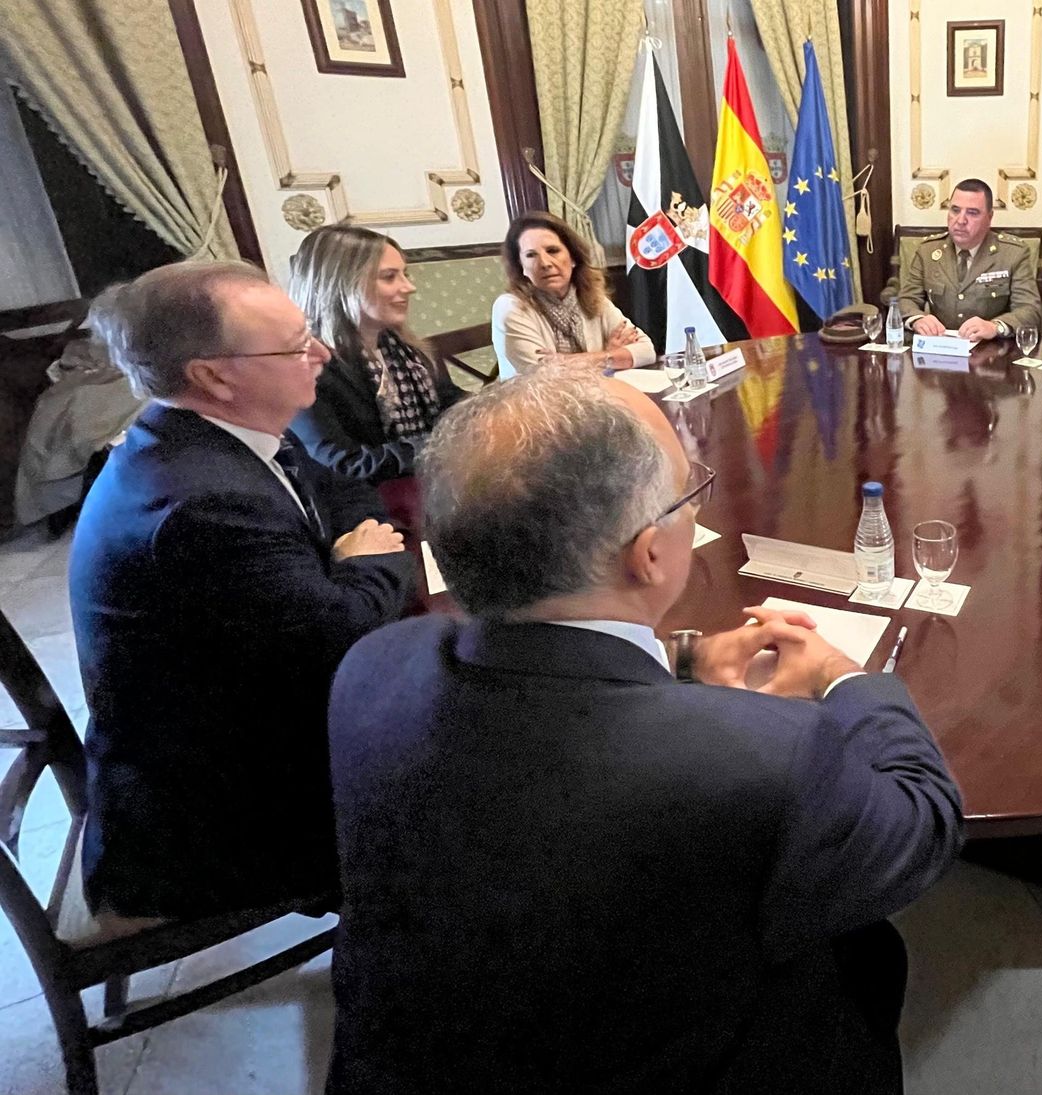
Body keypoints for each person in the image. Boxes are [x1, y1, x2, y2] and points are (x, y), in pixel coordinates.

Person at [324, 370, 964, 1094]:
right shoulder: (762, 758)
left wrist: (686, 654)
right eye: (689, 495)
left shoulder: (373, 665)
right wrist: (845, 677)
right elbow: (925, 822)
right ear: (650, 552)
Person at [69, 261, 413, 921]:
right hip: (211, 818)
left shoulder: (218, 433)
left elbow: (344, 490)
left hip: (229, 727)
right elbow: (346, 631)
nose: (321, 350)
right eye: (294, 344)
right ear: (211, 374)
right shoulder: (201, 500)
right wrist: (365, 560)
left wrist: (348, 555)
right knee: (474, 766)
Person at [287, 225, 466, 482]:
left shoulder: (406, 350)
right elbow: (342, 463)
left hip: (424, 482)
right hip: (371, 508)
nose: (409, 287)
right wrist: (440, 445)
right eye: (389, 277)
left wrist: (494, 409)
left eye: (405, 274)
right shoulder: (309, 366)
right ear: (342, 284)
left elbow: (449, 401)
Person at [492, 211, 656, 379]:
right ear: (521, 267)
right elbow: (545, 376)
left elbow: (646, 350)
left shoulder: (592, 297)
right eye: (531, 255)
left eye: (553, 250)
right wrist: (609, 355)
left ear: (573, 258)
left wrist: (571, 361)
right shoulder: (510, 307)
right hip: (535, 403)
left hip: (596, 395)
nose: (545, 263)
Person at [897, 178, 1042, 341]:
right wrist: (918, 319)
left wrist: (995, 326)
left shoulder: (1013, 254)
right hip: (941, 349)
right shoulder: (928, 251)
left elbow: (1030, 310)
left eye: (972, 213)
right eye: (955, 210)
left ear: (989, 217)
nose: (960, 221)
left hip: (992, 354)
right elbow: (907, 299)